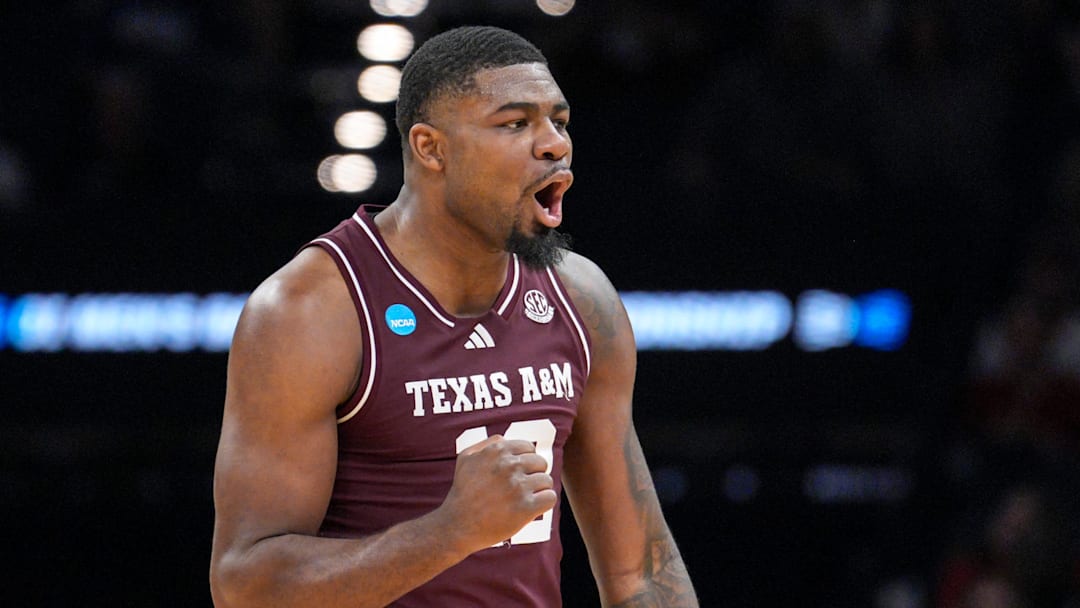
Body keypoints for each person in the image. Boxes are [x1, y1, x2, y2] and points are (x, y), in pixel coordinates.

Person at [209, 25, 698, 607]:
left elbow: (641, 572)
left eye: (559, 122)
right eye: (515, 123)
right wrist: (449, 533)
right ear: (430, 147)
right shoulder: (312, 310)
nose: (553, 145)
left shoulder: (580, 296)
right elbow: (245, 586)